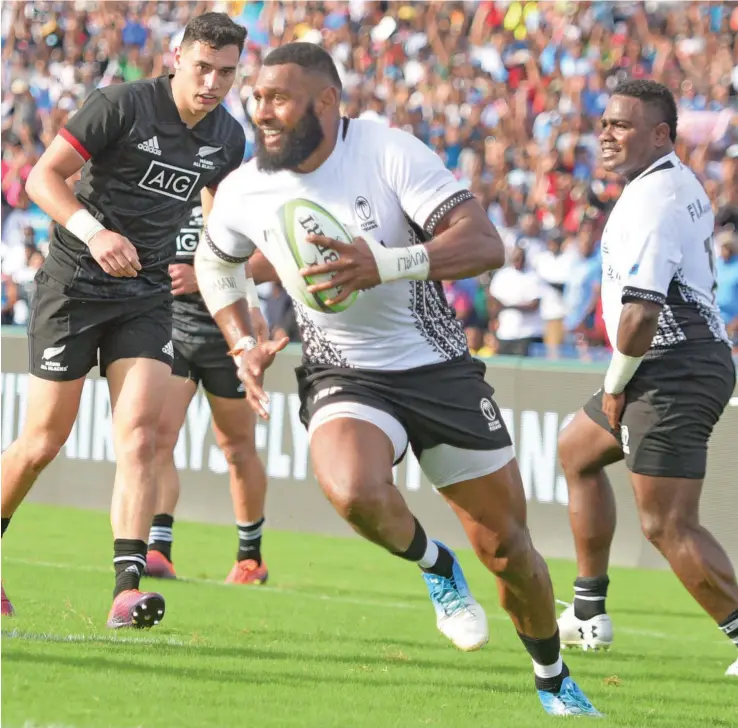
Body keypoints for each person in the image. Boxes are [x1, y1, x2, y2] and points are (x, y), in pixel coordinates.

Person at [194, 42, 601, 716]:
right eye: (258, 97)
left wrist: (385, 263)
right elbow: (217, 265)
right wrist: (242, 339)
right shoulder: (245, 187)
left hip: (438, 369)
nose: (262, 110)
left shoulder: (387, 150)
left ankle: (553, 678)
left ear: (326, 103)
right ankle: (437, 565)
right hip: (344, 371)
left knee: (509, 553)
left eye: (279, 98)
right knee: (352, 488)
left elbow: (484, 243)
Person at [0, 13, 248, 628]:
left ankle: (126, 590)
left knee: (139, 436)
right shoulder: (120, 105)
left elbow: (220, 223)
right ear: (176, 58)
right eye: (203, 68)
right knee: (41, 443)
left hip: (145, 295)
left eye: (226, 72)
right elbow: (42, 177)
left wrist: (222, 282)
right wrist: (94, 230)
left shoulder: (227, 138)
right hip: (74, 286)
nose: (213, 83)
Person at [556, 80, 738, 678]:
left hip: (672, 367)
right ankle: (587, 611)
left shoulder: (653, 199)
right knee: (576, 450)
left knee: (666, 523)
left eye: (622, 126)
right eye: (605, 124)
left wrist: (615, 381)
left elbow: (639, 314)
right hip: (677, 360)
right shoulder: (665, 183)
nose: (607, 134)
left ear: (661, 134)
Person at [145, 199, 271, 586]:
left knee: (236, 447)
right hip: (172, 328)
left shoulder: (237, 191)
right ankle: (158, 549)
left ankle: (250, 558)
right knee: (157, 438)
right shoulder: (164, 186)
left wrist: (206, 276)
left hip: (226, 333)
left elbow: (272, 258)